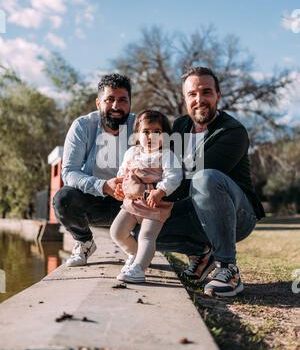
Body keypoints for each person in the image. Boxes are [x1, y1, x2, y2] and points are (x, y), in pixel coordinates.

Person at [156, 66, 265, 297]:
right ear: (185, 98)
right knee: (137, 229)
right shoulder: (179, 127)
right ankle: (201, 253)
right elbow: (169, 173)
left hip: (238, 214)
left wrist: (168, 204)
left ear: (218, 95)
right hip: (195, 211)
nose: (199, 100)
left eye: (206, 92)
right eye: (192, 94)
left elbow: (196, 180)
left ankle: (228, 268)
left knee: (205, 178)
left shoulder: (232, 131)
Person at [53, 73, 135, 267]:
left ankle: (136, 245)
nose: (116, 106)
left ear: (130, 103)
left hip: (130, 202)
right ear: (98, 103)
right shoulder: (82, 126)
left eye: (122, 100)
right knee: (63, 199)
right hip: (93, 199)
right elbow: (69, 171)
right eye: (110, 100)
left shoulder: (141, 126)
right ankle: (84, 242)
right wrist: (103, 186)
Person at [110, 110, 182, 283]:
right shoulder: (132, 153)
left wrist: (161, 191)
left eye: (157, 131)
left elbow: (174, 176)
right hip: (132, 202)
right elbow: (122, 172)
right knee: (117, 232)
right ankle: (135, 254)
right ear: (137, 134)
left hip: (154, 203)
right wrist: (119, 184)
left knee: (147, 236)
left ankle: (139, 269)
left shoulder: (166, 155)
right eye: (146, 131)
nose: (151, 136)